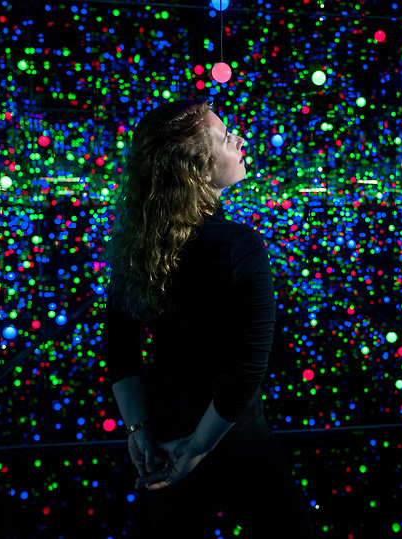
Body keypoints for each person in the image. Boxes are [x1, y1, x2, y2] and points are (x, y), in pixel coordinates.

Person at [102, 100, 312, 538]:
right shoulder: (241, 246)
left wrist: (140, 431)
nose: (239, 140)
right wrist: (196, 449)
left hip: (160, 433)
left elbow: (120, 348)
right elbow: (247, 370)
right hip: (230, 437)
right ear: (195, 169)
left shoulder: (138, 247)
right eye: (223, 137)